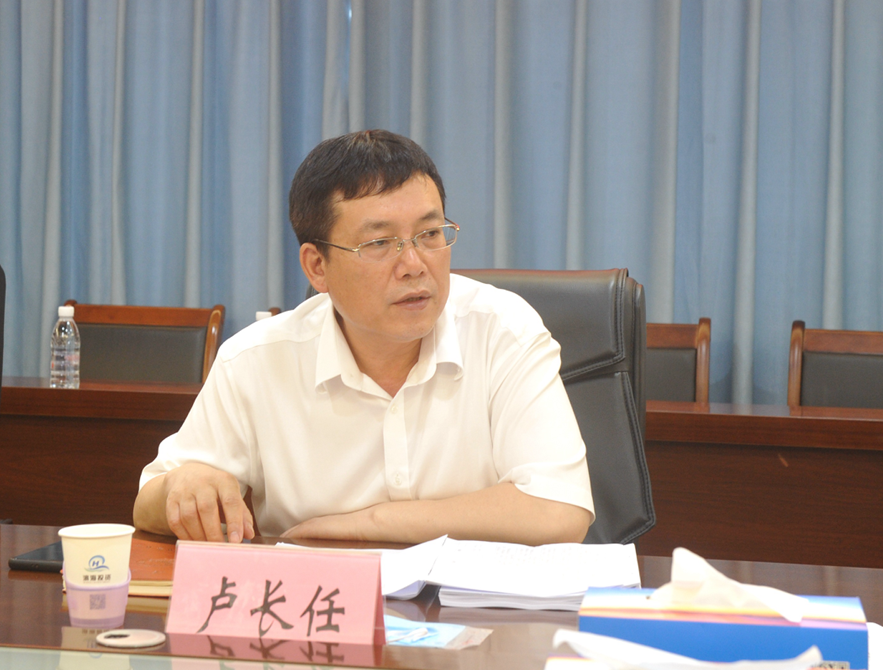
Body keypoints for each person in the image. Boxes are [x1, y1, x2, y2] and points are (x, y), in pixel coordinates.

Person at [133, 130, 594, 545]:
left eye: (430, 234)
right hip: (319, 607)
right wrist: (180, 486)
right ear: (317, 266)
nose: (414, 264)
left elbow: (560, 511)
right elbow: (148, 504)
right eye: (379, 243)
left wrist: (371, 523)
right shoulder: (255, 360)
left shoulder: (503, 330)